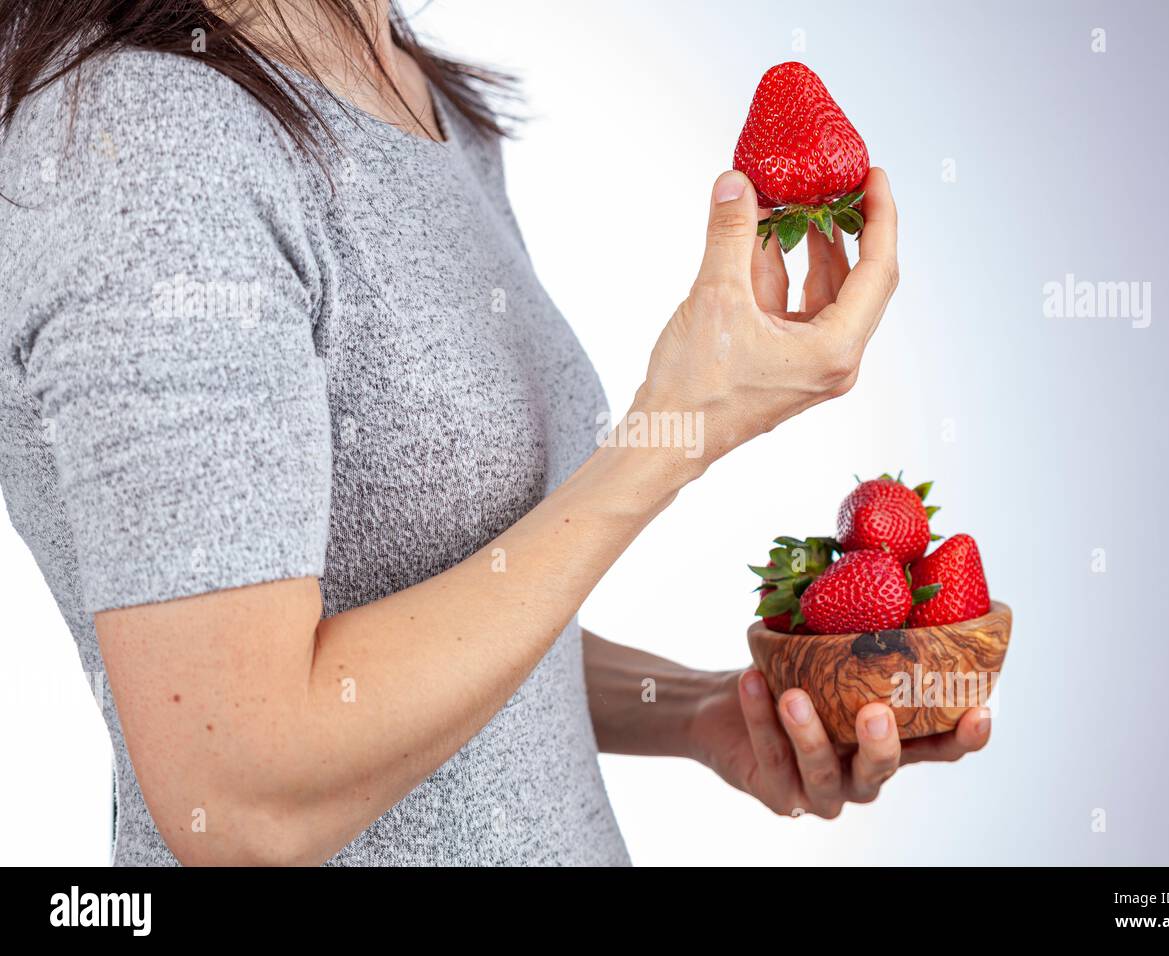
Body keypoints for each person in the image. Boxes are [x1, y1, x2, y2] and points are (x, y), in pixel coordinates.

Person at [0, 0, 989, 866]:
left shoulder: (413, 90)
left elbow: (436, 612)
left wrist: (690, 707)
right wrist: (676, 431)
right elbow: (242, 792)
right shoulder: (145, 140)